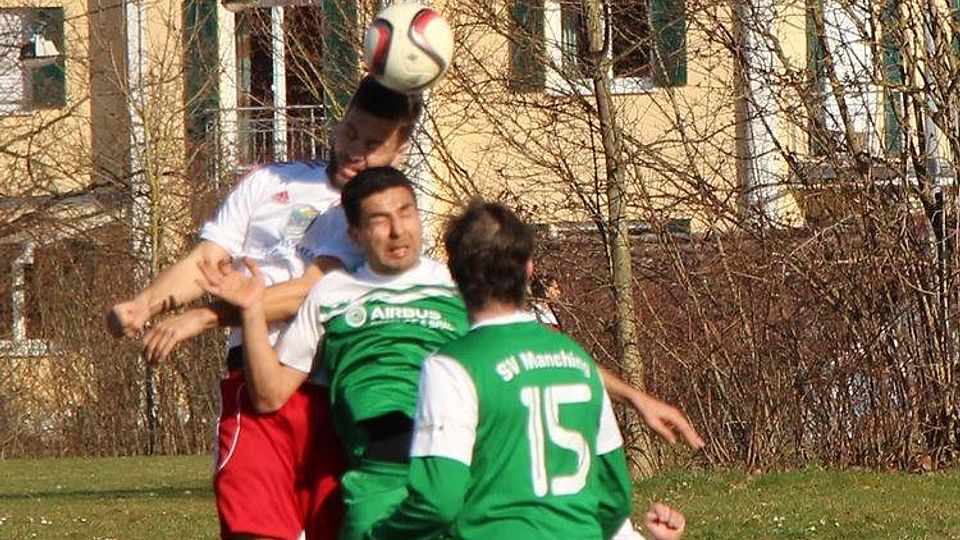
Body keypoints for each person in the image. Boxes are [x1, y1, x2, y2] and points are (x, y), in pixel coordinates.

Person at [200, 168, 695, 540]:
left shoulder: (461, 281)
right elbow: (269, 396)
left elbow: (531, 358)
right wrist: (252, 310)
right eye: (380, 220)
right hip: (381, 477)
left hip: (463, 474)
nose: (398, 230)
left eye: (406, 212)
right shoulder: (331, 294)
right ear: (355, 234)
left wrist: (634, 397)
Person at [106, 77, 424, 540]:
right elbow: (207, 260)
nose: (355, 151)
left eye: (373, 145)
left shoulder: (378, 217)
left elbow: (312, 293)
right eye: (351, 132)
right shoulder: (269, 182)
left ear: (400, 149)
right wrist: (145, 303)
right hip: (253, 389)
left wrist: (205, 317)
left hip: (334, 395)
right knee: (254, 531)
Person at [365, 200, 686, 540]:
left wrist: (379, 536)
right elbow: (614, 498)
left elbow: (439, 500)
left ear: (454, 274)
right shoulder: (578, 362)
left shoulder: (451, 366)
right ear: (530, 267)